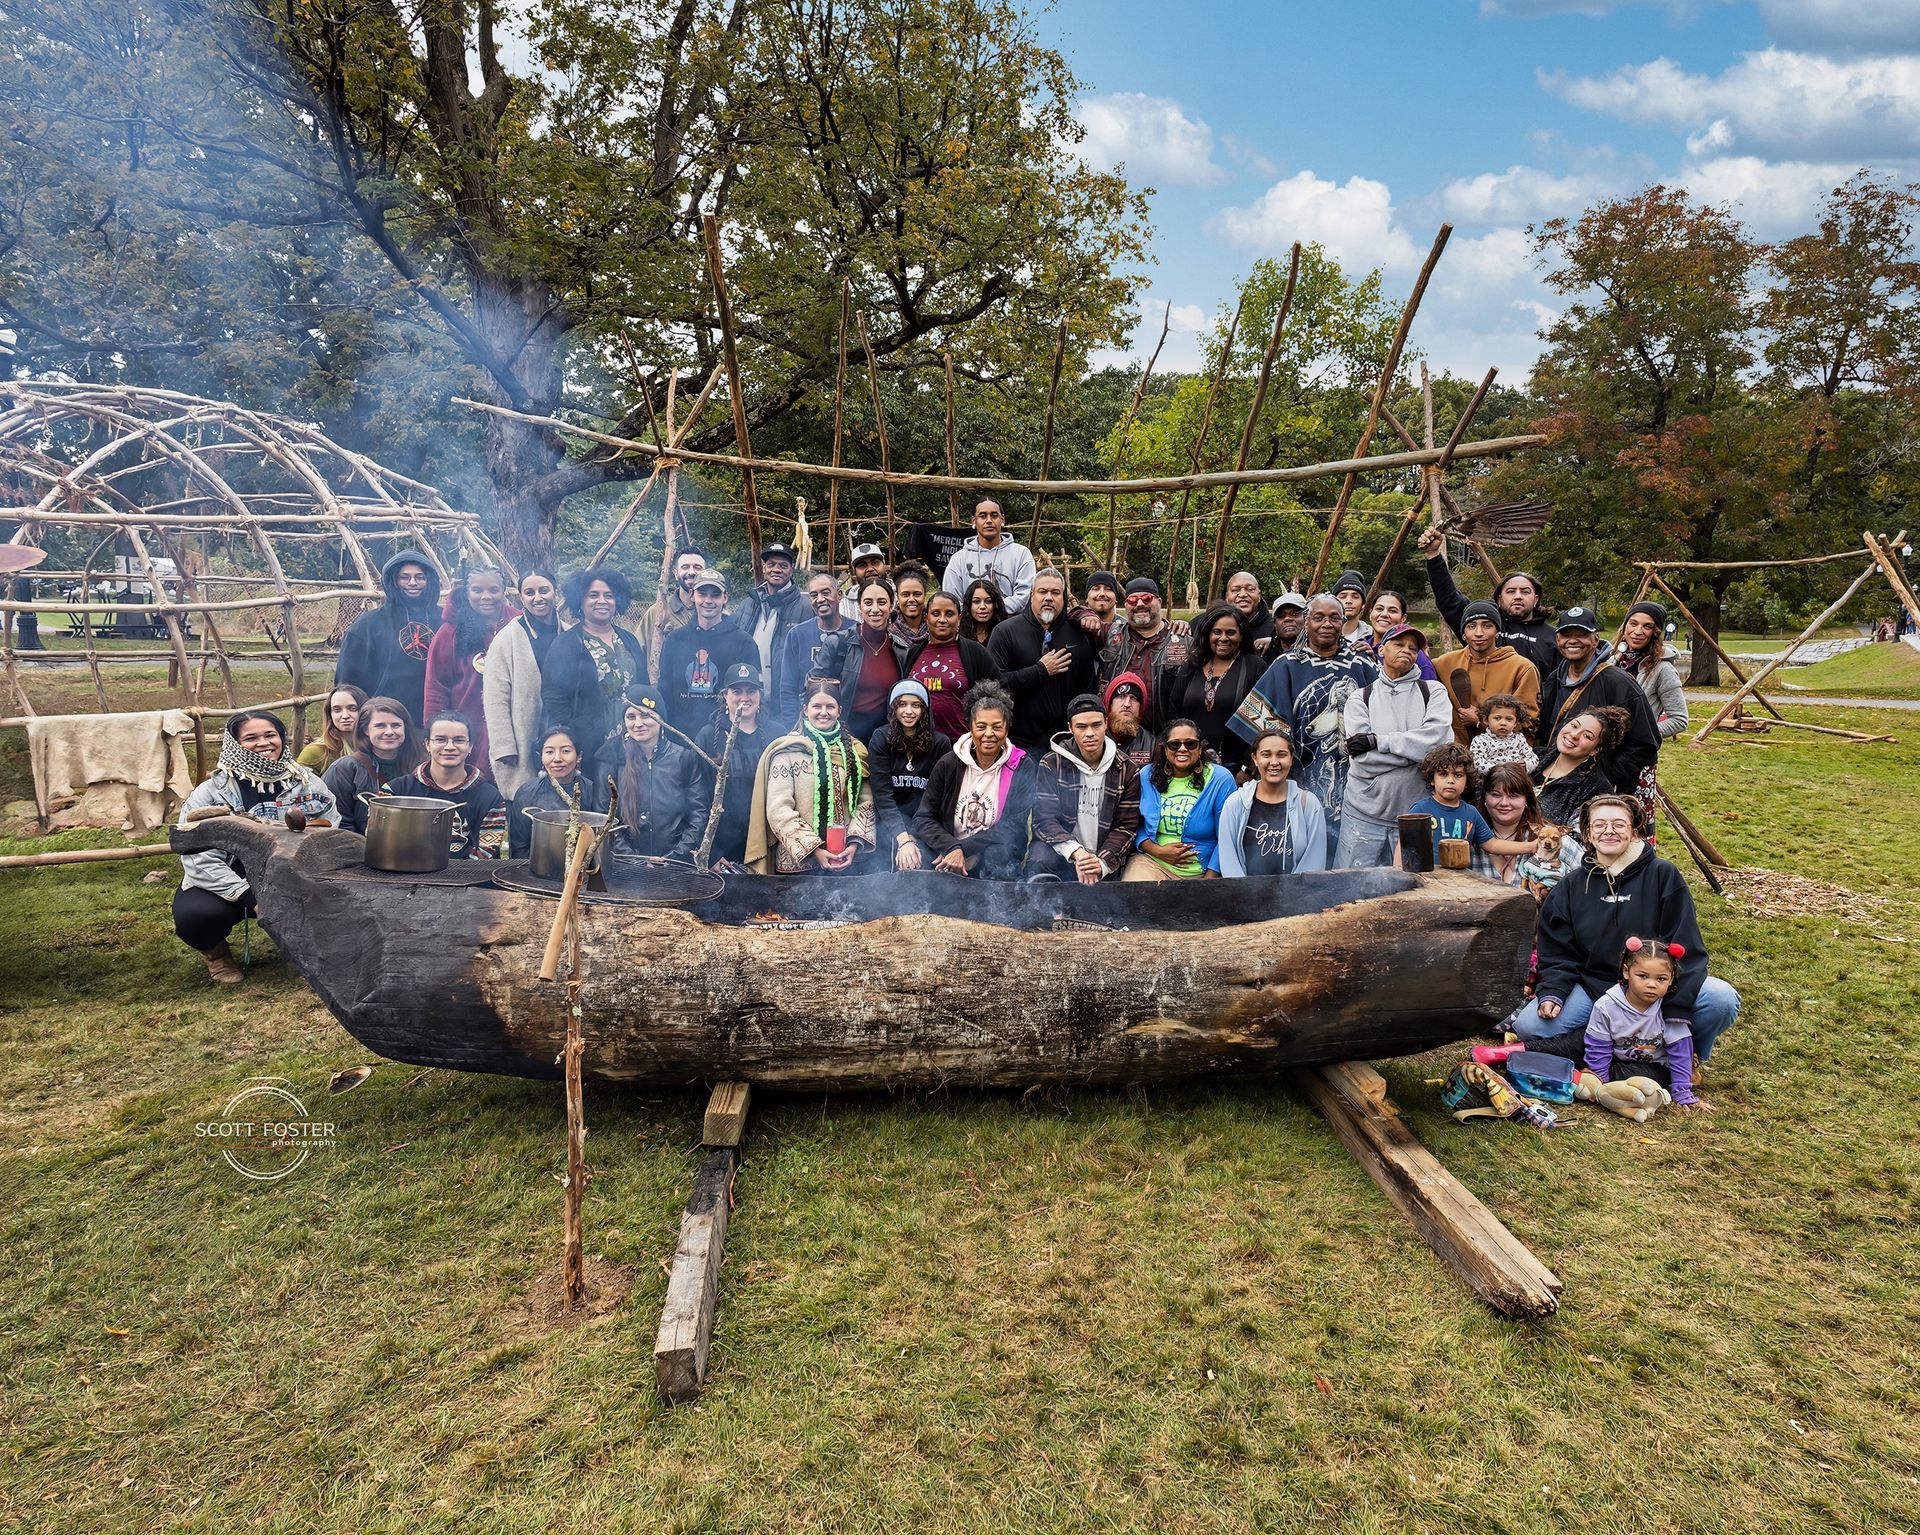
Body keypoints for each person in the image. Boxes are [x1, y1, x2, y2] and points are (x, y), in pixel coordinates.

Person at [1510, 794, 1742, 1067]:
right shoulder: (1571, 886)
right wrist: (1553, 992)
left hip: (1656, 986)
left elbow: (1686, 945)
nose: (1609, 831)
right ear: (1587, 833)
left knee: (1721, 999)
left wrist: (1675, 1009)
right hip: (1594, 986)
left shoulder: (1663, 875)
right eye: (1599, 825)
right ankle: (1616, 1046)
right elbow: (1559, 952)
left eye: (1619, 824)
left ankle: (1685, 1059)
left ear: (1634, 831)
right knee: (1530, 1026)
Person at [174, 710, 337, 982]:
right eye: (251, 738)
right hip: (231, 882)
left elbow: (330, 829)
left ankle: (303, 949)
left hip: (293, 874)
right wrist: (251, 897)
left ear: (282, 739)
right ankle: (216, 954)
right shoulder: (212, 792)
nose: (263, 743)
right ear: (234, 744)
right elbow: (198, 857)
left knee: (338, 901)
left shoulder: (307, 783)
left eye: (270, 735)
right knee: (197, 916)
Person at [1231, 594, 1378, 847]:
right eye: (1318, 617)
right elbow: (1263, 729)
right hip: (1300, 776)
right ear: (1307, 622)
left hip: (1358, 776)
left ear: (1344, 621)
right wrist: (1249, 768)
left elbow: (1382, 715)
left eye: (1334, 617)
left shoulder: (1362, 664)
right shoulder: (1286, 665)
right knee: (1303, 845)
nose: (1326, 624)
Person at [1334, 624, 1455, 867]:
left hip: (1418, 815)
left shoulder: (1434, 692)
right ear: (1381, 651)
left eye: (1413, 648)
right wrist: (1417, 754)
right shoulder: (1360, 698)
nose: (1407, 651)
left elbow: (1439, 748)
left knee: (1414, 889)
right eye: (1399, 645)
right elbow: (1362, 759)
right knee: (1350, 887)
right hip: (1363, 813)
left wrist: (1380, 741)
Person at [1563, 937, 1713, 1110]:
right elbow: (1598, 1047)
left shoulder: (1671, 1009)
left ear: (1671, 979)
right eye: (1643, 976)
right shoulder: (1606, 1005)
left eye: (1661, 979)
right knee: (1573, 1045)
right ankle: (1527, 1051)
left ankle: (1578, 1077)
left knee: (1645, 1077)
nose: (1651, 984)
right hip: (1613, 1055)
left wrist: (1682, 1094)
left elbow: (1681, 1054)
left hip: (1651, 1065)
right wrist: (1600, 1081)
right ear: (1626, 972)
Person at [747, 680, 877, 874]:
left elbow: (865, 801)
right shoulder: (787, 751)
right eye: (817, 706)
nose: (823, 712)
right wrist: (814, 850)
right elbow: (778, 809)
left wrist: (853, 846)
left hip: (848, 863)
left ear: (839, 710)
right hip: (798, 867)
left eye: (830, 706)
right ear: (805, 709)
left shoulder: (855, 750)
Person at [914, 680, 1036, 879]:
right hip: (950, 845)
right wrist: (952, 847)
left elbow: (1014, 824)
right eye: (981, 726)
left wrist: (965, 850)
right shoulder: (949, 763)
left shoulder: (1021, 766)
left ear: (1007, 729)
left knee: (999, 855)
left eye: (997, 727)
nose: (989, 734)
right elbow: (923, 818)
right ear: (970, 727)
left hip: (995, 847)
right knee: (919, 853)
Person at [1535, 606, 1660, 796]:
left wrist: (1604, 776)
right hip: (1556, 784)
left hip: (1596, 793)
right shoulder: (1553, 680)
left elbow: (1645, 744)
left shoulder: (1618, 683)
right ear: (1558, 639)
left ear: (1595, 639)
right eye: (1566, 634)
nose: (1573, 640)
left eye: (1581, 634)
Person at [1030, 692, 1143, 882]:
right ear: (1070, 728)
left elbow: (1126, 827)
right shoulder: (1052, 764)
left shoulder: (1127, 769)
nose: (1089, 733)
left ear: (1106, 723)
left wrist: (1101, 862)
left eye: (1096, 725)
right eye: (1081, 727)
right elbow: (1044, 820)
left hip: (1104, 853)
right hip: (1063, 851)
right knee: (1040, 857)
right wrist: (1077, 852)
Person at [1415, 525, 1557, 673]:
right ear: (1499, 599)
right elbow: (1449, 601)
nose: (1518, 596)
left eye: (1525, 591)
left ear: (1536, 599)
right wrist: (1433, 555)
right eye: (1510, 591)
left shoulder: (1554, 637)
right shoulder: (1483, 626)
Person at [542, 567, 645, 764]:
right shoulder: (566, 644)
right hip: (589, 745)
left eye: (609, 595)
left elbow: (643, 685)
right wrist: (570, 743)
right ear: (580, 600)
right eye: (593, 595)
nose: (602, 601)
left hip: (633, 738)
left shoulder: (628, 639)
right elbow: (554, 700)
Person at [988, 567, 1097, 750]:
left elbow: (1087, 690)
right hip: (1016, 741)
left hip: (1065, 741)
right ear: (1032, 595)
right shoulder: (1006, 631)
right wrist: (1040, 670)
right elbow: (994, 683)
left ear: (1063, 598)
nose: (1048, 598)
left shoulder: (1078, 636)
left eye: (1055, 592)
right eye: (1042, 591)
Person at [333, 548, 443, 727]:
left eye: (420, 577)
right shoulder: (367, 626)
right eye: (405, 577)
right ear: (393, 580)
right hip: (385, 725)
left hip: (439, 724)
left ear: (430, 580)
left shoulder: (446, 621)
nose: (413, 582)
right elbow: (347, 684)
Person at [423, 564, 515, 776]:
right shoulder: (450, 632)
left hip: (510, 726)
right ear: (467, 591)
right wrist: (438, 732)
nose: (486, 597)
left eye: (493, 590)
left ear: (504, 591)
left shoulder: (518, 624)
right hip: (465, 727)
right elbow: (436, 688)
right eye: (477, 590)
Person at [483, 566, 565, 798]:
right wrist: (504, 747)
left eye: (543, 590)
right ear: (521, 597)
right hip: (524, 736)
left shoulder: (569, 633)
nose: (537, 598)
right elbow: (495, 698)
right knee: (525, 804)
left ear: (555, 592)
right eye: (529, 592)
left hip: (560, 733)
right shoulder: (506, 640)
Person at [386, 711, 507, 859]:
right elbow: (383, 841)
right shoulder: (395, 791)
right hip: (402, 874)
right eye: (440, 739)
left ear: (470, 746)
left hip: (467, 878)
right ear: (427, 744)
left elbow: (487, 853)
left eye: (459, 740)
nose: (450, 746)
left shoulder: (490, 797)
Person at [1401, 743, 1541, 870]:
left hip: (1461, 885)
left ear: (1467, 780)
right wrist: (1401, 877)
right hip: (1427, 881)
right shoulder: (1421, 809)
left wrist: (1530, 846)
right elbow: (1404, 846)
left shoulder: (1471, 812)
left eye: (1458, 775)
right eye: (1443, 774)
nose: (1450, 781)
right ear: (1432, 779)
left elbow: (1492, 844)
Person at [1614, 599, 1688, 835]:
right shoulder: (1612, 661)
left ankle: (1639, 869)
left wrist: (1642, 733)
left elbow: (1679, 719)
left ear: (1656, 632)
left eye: (1646, 626)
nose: (1637, 631)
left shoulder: (1662, 669)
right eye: (1633, 623)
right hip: (1605, 753)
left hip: (1638, 757)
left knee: (1632, 819)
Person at [1125, 720, 1235, 879]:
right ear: (1164, 749)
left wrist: (1209, 881)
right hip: (1152, 863)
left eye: (1190, 744)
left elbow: (1227, 836)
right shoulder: (1146, 775)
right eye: (1174, 744)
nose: (1182, 749)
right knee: (1136, 893)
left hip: (1202, 872)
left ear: (1200, 748)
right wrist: (1158, 851)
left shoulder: (1220, 779)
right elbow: (1135, 824)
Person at [609, 687, 708, 860]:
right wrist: (634, 860)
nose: (638, 723)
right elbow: (606, 818)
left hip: (677, 865)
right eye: (631, 717)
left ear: (661, 719)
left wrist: (673, 857)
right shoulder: (613, 759)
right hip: (627, 869)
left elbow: (698, 815)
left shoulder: (684, 758)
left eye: (646, 715)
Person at [1159, 602, 1262, 769]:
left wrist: (1247, 769)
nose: (1223, 638)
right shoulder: (1192, 666)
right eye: (1217, 632)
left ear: (1241, 635)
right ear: (1208, 634)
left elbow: (1261, 726)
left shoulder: (1254, 667)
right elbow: (1174, 714)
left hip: (1234, 769)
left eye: (1231, 632)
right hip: (1190, 764)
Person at [659, 569, 759, 739]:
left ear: (725, 597)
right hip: (680, 738)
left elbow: (753, 695)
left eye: (715, 595)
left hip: (726, 738)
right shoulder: (674, 640)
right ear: (692, 595)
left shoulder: (744, 642)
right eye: (702, 594)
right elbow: (664, 690)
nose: (708, 601)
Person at [1217, 726, 1329, 876]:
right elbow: (1228, 860)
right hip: (1246, 896)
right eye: (1266, 755)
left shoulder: (1308, 804)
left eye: (1281, 755)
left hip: (1297, 896)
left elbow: (1314, 862)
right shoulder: (1236, 803)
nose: (1274, 762)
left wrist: (1296, 896)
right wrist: (1244, 895)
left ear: (1291, 759)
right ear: (1255, 759)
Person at [867, 679, 951, 872]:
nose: (908, 711)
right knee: (891, 865)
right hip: (889, 822)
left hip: (926, 823)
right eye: (902, 704)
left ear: (925, 709)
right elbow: (883, 796)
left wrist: (922, 836)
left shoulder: (940, 743)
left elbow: (940, 800)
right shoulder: (881, 738)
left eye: (916, 705)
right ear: (893, 708)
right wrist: (903, 839)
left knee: (926, 871)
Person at [1431, 598, 1540, 747]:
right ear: (1463, 633)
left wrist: (1482, 721)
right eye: (1471, 626)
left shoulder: (1522, 668)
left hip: (1501, 758)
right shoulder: (1443, 663)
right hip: (1456, 757)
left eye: (1487, 626)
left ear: (1497, 632)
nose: (1479, 633)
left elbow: (1530, 723)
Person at [694, 663, 771, 868]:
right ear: (725, 696)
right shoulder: (709, 737)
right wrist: (712, 852)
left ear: (760, 696)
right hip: (723, 852)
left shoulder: (776, 734)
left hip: (767, 846)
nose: (745, 697)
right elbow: (699, 797)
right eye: (737, 691)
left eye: (751, 691)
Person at [322, 695, 426, 833]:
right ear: (365, 730)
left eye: (396, 725)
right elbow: (337, 822)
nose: (389, 732)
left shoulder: (423, 767)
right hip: (359, 849)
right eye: (380, 726)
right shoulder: (344, 769)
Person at [904, 590, 997, 743]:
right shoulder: (913, 653)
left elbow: (999, 692)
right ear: (926, 617)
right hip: (918, 744)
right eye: (935, 613)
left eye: (949, 614)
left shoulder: (975, 652)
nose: (942, 619)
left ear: (959, 618)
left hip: (961, 744)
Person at [826, 576, 911, 741]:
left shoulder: (901, 649)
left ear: (892, 605)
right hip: (844, 733)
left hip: (886, 736)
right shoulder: (838, 643)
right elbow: (815, 688)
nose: (875, 609)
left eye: (881, 602)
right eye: (868, 602)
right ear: (859, 607)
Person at [505, 724, 607, 859]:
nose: (557, 758)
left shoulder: (593, 790)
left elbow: (601, 840)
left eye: (565, 751)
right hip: (538, 869)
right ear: (541, 757)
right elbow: (519, 847)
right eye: (549, 752)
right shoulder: (527, 793)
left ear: (579, 756)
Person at [1534, 705, 1632, 828]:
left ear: (1595, 750)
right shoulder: (1534, 756)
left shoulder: (1596, 790)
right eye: (1574, 725)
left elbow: (1579, 838)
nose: (1574, 735)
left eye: (1587, 736)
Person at [1098, 575, 1188, 706]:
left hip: (1163, 725)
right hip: (1115, 724)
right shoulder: (1109, 634)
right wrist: (1085, 615)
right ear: (1126, 605)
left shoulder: (1183, 641)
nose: (1140, 604)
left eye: (1147, 598)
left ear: (1159, 602)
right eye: (1133, 600)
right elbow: (1073, 617)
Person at [777, 572, 853, 724]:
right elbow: (788, 687)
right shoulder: (797, 635)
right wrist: (792, 726)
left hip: (847, 722)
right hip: (807, 721)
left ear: (839, 595)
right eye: (814, 595)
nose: (820, 599)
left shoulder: (855, 631)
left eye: (826, 593)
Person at [1471, 761, 1564, 883]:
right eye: (1495, 794)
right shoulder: (1468, 835)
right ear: (1484, 797)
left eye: (1513, 796)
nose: (1504, 803)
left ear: (1527, 799)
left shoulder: (1553, 837)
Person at [940, 498, 1036, 610]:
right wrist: (975, 614)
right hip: (969, 625)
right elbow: (952, 599)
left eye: (994, 515)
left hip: (1012, 624)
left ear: (1002, 519)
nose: (989, 520)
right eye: (983, 516)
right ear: (973, 521)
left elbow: (1025, 594)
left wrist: (993, 610)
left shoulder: (1021, 554)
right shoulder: (959, 559)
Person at [735, 541, 808, 680]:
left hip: (785, 691)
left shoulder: (805, 608)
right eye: (771, 564)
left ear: (791, 570)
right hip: (750, 688)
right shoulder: (748, 604)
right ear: (763, 568)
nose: (776, 569)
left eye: (783, 565)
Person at [633, 546, 707, 683]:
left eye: (697, 567)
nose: (691, 572)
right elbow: (637, 654)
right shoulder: (656, 613)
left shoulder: (718, 615)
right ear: (675, 573)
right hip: (665, 695)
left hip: (706, 695)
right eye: (685, 567)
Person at [1357, 590, 1440, 680]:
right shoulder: (1359, 646)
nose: (1384, 614)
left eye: (1393, 611)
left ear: (1403, 619)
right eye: (1379, 609)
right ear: (1370, 614)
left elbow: (1429, 690)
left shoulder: (1414, 657)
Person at [296, 683, 367, 774]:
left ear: (365, 711)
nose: (345, 716)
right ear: (330, 714)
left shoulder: (377, 747)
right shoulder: (315, 753)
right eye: (337, 710)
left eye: (353, 708)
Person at [1470, 693, 1539, 775]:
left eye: (1509, 719)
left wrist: (1526, 765)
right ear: (1486, 720)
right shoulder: (1480, 741)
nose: (1503, 723)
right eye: (1497, 718)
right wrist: (1501, 770)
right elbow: (1476, 763)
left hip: (1516, 781)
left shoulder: (1519, 739)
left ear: (1515, 723)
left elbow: (1534, 758)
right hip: (1491, 782)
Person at [1104, 671, 1157, 771]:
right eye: (1121, 697)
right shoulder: (1096, 737)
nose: (1127, 704)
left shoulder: (1152, 745)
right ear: (1110, 704)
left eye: (1134, 698)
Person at [1224, 571, 1277, 656]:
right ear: (1227, 597)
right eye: (1235, 590)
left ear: (1259, 596)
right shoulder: (1209, 624)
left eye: (1250, 589)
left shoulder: (1276, 626)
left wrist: (1275, 642)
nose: (1243, 594)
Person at [838, 542, 890, 619]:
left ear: (884, 566)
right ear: (854, 572)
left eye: (875, 563)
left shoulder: (901, 596)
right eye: (862, 565)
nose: (870, 569)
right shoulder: (843, 607)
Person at [890, 564, 932, 648]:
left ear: (924, 595)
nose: (911, 599)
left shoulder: (936, 627)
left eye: (917, 594)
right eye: (905, 594)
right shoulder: (888, 633)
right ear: (897, 596)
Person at [960, 577, 1008, 648]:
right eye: (976, 602)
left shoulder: (1005, 634)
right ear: (969, 605)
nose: (982, 606)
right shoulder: (958, 637)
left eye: (988, 601)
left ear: (995, 605)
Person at [1332, 569, 1369, 639]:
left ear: (1363, 604)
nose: (1348, 601)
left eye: (1355, 597)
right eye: (1343, 597)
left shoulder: (1371, 636)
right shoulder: (1319, 632)